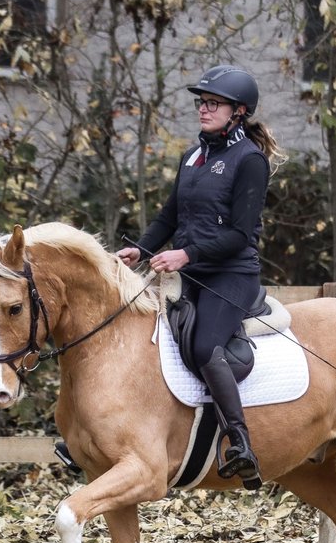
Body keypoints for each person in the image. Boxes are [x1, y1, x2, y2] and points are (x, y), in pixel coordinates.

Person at [118, 64, 285, 490]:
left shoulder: (249, 160)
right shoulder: (193, 157)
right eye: (202, 102)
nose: (204, 109)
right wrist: (143, 249)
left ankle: (240, 441)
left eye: (213, 103)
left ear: (238, 111)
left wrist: (185, 254)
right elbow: (169, 216)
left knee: (204, 343)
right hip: (188, 269)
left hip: (231, 274)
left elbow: (239, 234)